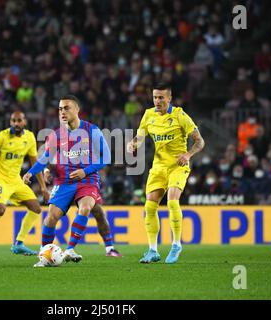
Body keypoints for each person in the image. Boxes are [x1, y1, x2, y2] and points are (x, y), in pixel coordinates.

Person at [23, 95, 111, 267]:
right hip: (64, 182)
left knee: (85, 208)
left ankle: (70, 249)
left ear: (77, 110)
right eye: (60, 109)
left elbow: (106, 157)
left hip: (87, 180)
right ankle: (44, 255)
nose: (62, 112)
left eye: (67, 108)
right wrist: (30, 173)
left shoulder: (92, 130)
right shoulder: (56, 136)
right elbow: (45, 158)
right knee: (50, 219)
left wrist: (84, 171)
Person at [126, 84, 205, 264]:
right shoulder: (148, 115)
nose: (157, 101)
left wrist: (188, 154)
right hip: (158, 167)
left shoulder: (180, 116)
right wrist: (133, 144)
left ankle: (176, 244)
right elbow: (140, 136)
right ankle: (153, 250)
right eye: (155, 97)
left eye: (161, 98)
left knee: (172, 200)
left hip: (177, 166)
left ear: (169, 98)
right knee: (149, 207)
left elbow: (200, 142)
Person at [0, 111, 49, 257]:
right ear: (10, 122)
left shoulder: (29, 137)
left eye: (19, 121)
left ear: (24, 122)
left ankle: (19, 243)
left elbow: (35, 163)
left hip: (15, 180)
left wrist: (43, 187)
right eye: (13, 121)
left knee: (36, 208)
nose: (16, 123)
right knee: (0, 210)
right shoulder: (2, 136)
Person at [43, 167, 121, 257]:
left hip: (85, 181)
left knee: (98, 212)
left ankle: (109, 248)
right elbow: (49, 155)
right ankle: (44, 251)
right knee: (52, 216)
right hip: (64, 182)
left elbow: (102, 158)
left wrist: (86, 171)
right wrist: (46, 170)